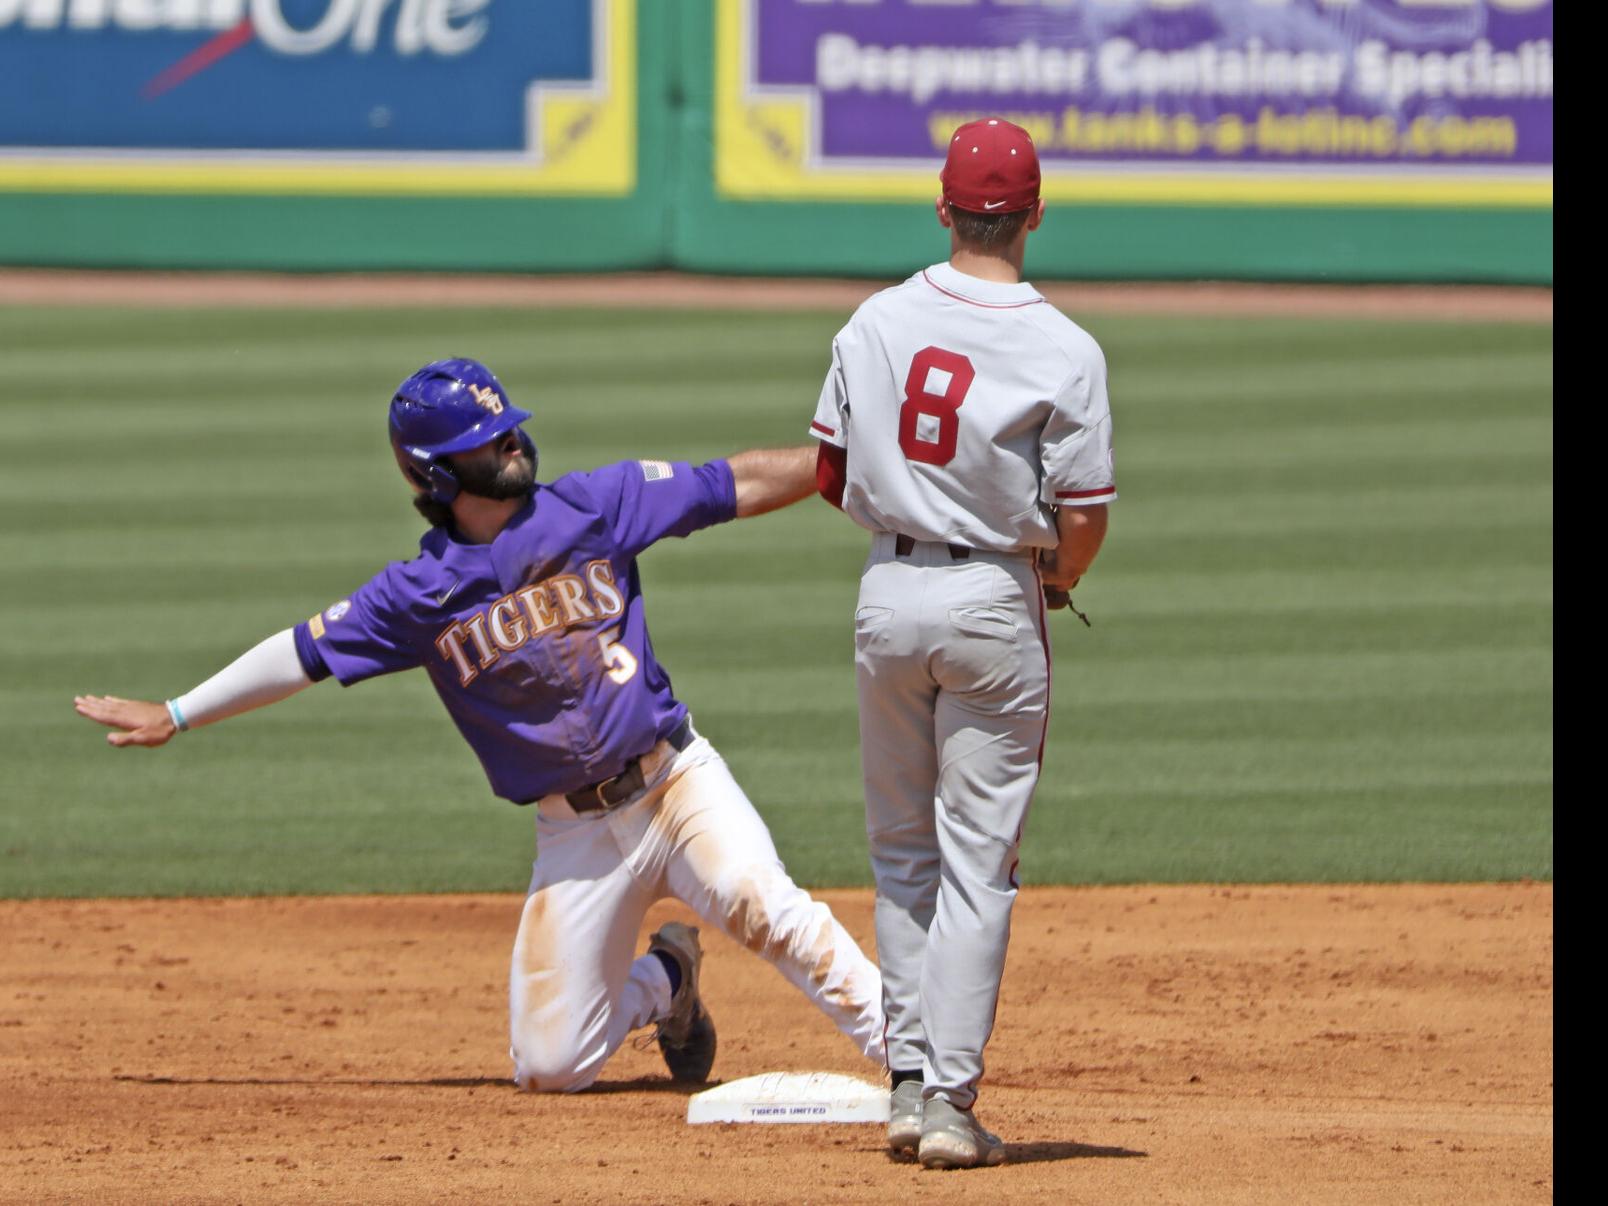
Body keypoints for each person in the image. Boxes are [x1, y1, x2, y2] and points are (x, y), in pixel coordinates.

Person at [75, 357, 885, 1093]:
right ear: (436, 472)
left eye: (509, 429)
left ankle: (917, 1059)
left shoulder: (591, 506)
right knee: (550, 1066)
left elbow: (727, 484)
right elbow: (302, 654)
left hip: (676, 784)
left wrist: (838, 468)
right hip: (573, 835)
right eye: (488, 442)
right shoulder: (416, 594)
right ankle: (669, 981)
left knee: (763, 902)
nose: (513, 446)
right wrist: (177, 714)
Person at [809, 118, 1115, 1169]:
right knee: (980, 864)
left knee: (902, 854)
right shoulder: (1065, 347)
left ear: (943, 209)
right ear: (1033, 215)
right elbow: (1084, 514)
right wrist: (1059, 575)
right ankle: (948, 1105)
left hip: (887, 592)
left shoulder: (877, 318)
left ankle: (901, 1086)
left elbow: (826, 469)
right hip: (995, 599)